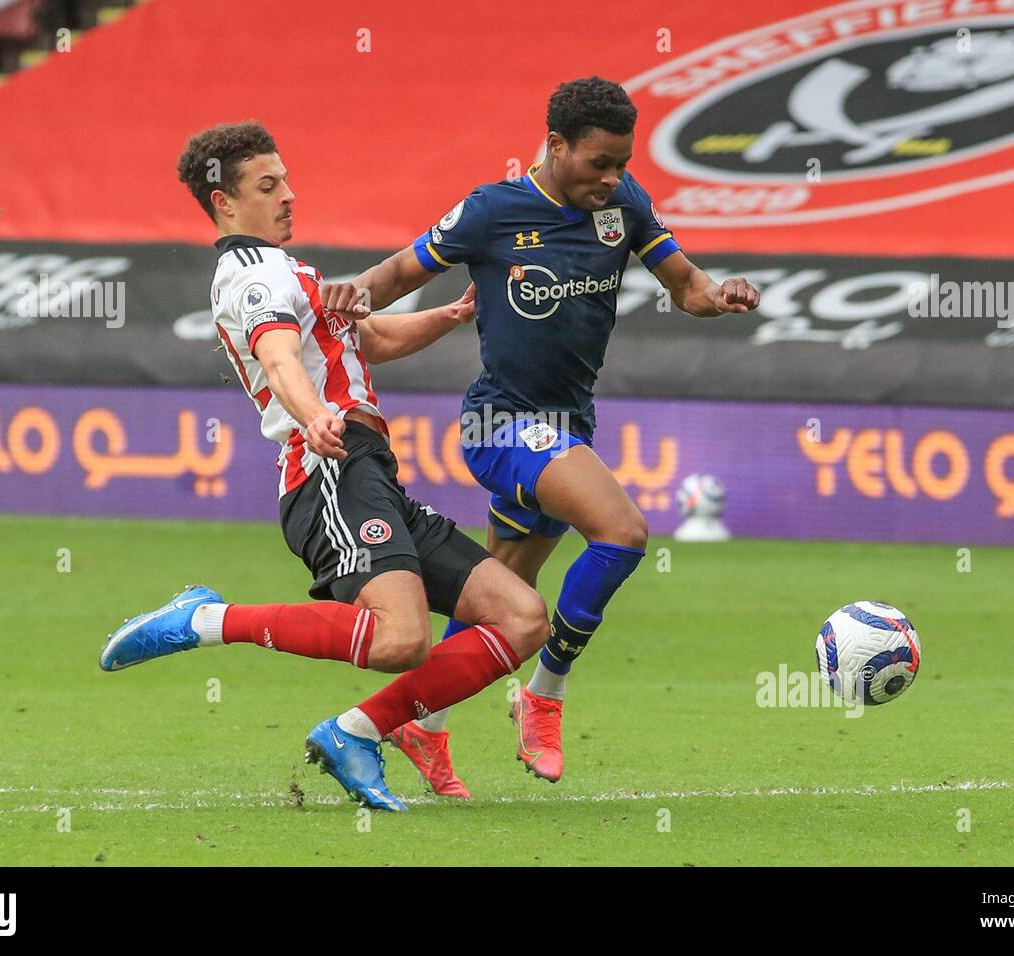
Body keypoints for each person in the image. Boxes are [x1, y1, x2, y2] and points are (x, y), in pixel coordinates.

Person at [322, 77, 759, 794]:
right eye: (598, 162)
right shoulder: (493, 212)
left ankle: (412, 727)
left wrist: (720, 294)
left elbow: (685, 286)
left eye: (622, 162)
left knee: (502, 599)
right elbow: (399, 271)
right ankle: (545, 694)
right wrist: (340, 298)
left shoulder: (624, 204)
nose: (612, 177)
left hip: (566, 428)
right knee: (621, 533)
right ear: (556, 146)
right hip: (501, 424)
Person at [98, 121, 550, 812]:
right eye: (267, 186)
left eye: (286, 180)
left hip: (370, 471)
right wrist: (314, 417)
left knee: (520, 617)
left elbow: (370, 338)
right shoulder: (251, 277)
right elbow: (279, 360)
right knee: (401, 638)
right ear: (224, 202)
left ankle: (356, 731)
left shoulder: (291, 271)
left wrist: (451, 314)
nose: (289, 196)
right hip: (328, 470)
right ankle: (207, 621)